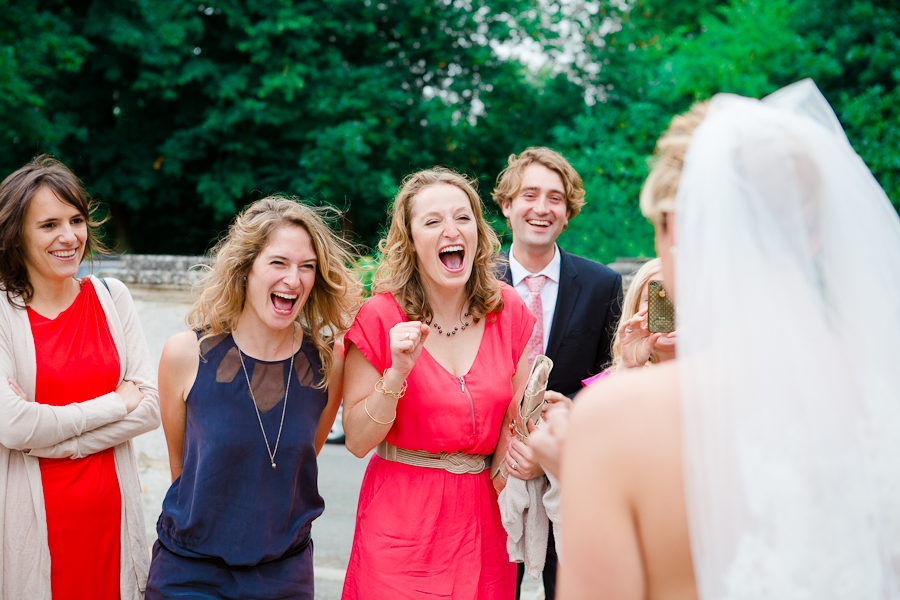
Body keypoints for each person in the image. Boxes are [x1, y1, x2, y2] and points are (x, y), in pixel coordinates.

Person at [548, 79, 900, 599]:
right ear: (815, 234)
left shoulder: (614, 421)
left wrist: (575, 469)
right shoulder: (883, 389)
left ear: (671, 230)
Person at [146, 197, 360, 599]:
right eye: (278, 262)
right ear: (245, 269)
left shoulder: (329, 365)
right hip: (189, 573)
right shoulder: (185, 354)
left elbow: (298, 462)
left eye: (307, 266)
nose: (293, 280)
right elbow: (183, 467)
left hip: (284, 574)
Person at [341, 167, 536, 599]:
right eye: (432, 221)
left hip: (484, 525)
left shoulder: (508, 309)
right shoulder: (378, 316)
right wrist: (397, 371)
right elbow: (356, 439)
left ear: (479, 232)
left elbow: (518, 420)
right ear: (410, 241)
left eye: (463, 217)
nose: (452, 230)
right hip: (400, 524)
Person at [0, 155, 159, 600]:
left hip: (111, 520)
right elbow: (12, 424)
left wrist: (56, 442)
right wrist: (114, 403)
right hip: (36, 526)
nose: (69, 237)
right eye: (48, 224)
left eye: (76, 219)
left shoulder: (112, 298)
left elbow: (149, 408)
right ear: (16, 237)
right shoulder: (2, 314)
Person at [492, 146, 623, 598]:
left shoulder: (603, 284)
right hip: (489, 470)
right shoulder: (473, 282)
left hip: (567, 473)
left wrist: (576, 414)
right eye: (529, 195)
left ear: (568, 213)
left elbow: (612, 374)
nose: (542, 208)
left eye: (555, 198)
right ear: (507, 205)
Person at [535, 258, 676, 480]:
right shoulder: (607, 384)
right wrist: (630, 368)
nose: (668, 308)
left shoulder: (717, 378)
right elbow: (598, 451)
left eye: (678, 298)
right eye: (655, 298)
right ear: (635, 309)